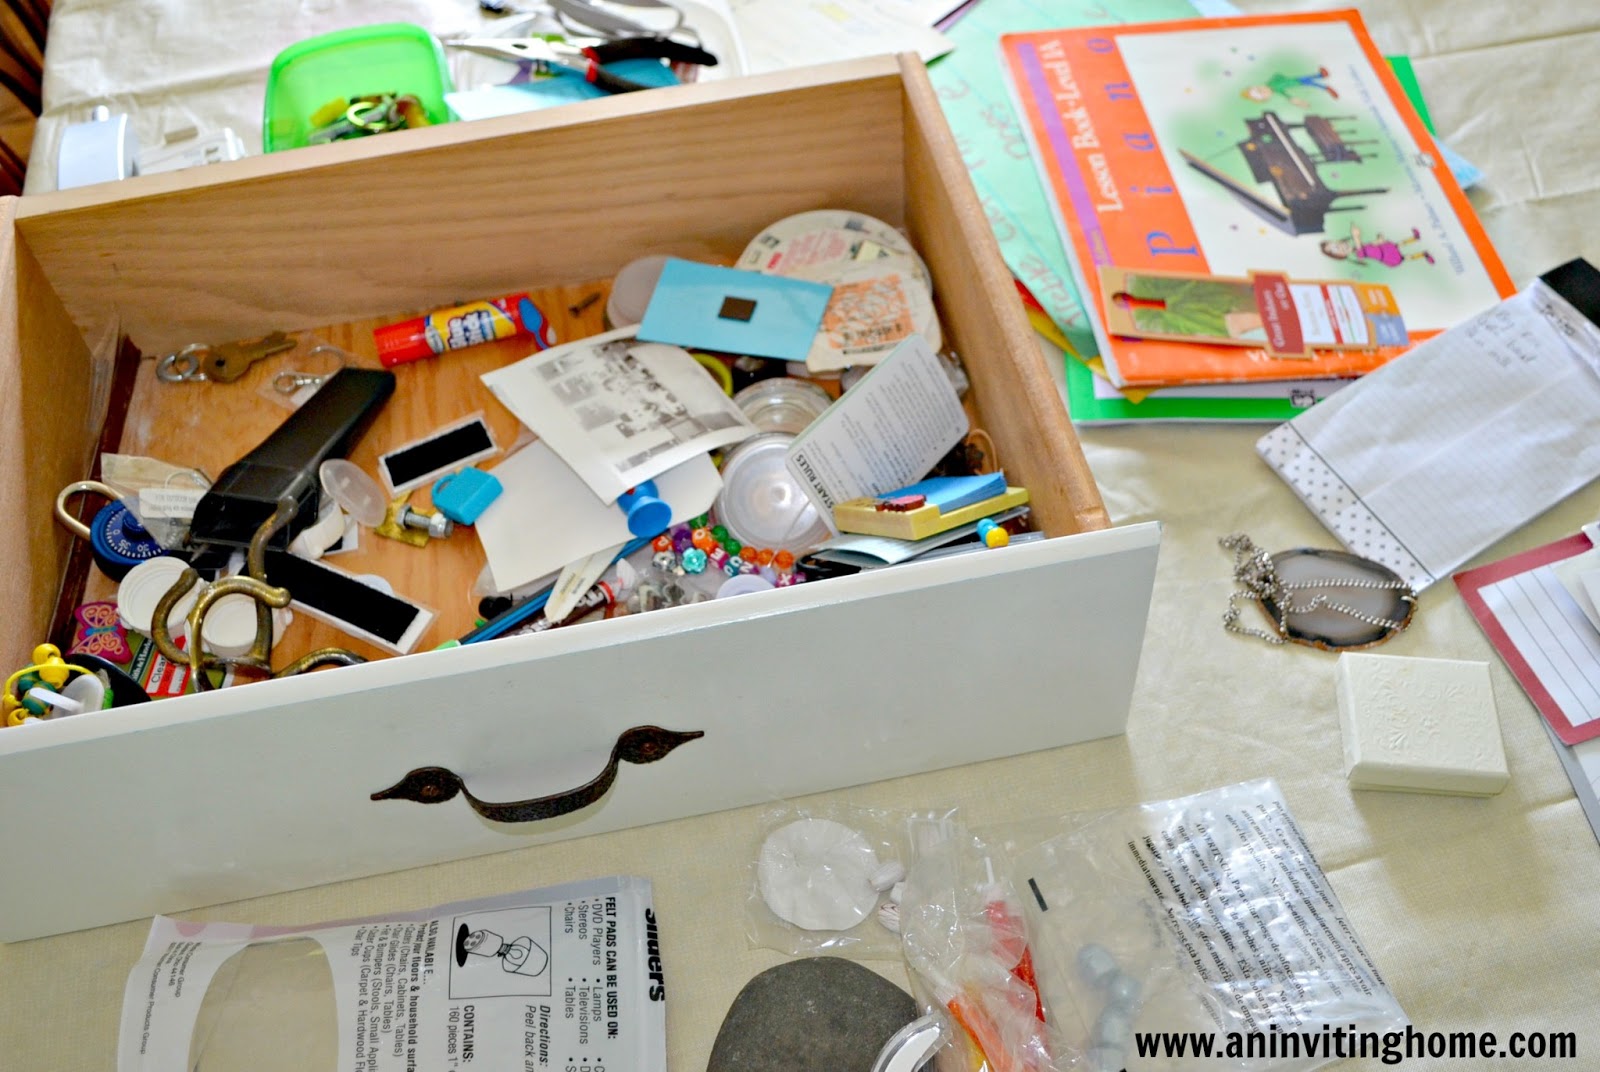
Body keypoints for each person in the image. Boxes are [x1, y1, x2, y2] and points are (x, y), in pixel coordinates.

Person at [1320, 225, 1434, 267]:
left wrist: (1379, 240)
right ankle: (1424, 255)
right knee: (1405, 257)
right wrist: (1356, 236)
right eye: (1335, 249)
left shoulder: (1359, 248)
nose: (1339, 246)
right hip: (1385, 256)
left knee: (1398, 244)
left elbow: (1370, 245)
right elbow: (1360, 248)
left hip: (1384, 248)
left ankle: (1415, 238)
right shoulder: (1358, 253)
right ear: (1340, 255)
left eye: (1335, 244)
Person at [1242, 66, 1338, 110]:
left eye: (1261, 90)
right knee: (1309, 82)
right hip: (1294, 82)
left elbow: (1277, 75)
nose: (1265, 92)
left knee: (1309, 81)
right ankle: (1324, 82)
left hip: (1292, 81)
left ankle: (1322, 77)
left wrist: (1282, 78)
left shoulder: (1270, 84)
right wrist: (1295, 101)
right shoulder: (1275, 89)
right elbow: (1285, 93)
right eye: (1264, 95)